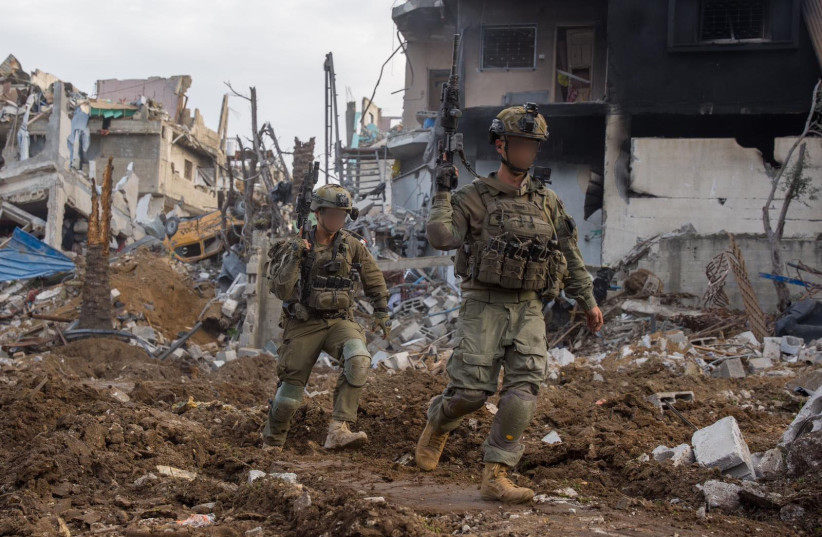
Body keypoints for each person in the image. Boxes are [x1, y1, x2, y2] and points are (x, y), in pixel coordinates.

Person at [417, 103, 604, 503]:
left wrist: (587, 299)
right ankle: (439, 421)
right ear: (500, 146)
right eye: (519, 144)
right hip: (483, 306)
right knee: (470, 394)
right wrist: (442, 193)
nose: (526, 153)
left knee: (523, 392)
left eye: (532, 146)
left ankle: (496, 473)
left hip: (529, 309)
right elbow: (441, 237)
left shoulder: (547, 202)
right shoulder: (473, 197)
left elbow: (569, 253)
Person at [263, 184, 390, 451]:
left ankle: (338, 429)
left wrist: (381, 310)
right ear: (318, 213)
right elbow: (280, 289)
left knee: (358, 359)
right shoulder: (294, 245)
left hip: (339, 321)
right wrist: (295, 256)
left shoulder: (351, 246)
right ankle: (271, 445)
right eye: (332, 214)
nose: (337, 220)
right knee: (288, 399)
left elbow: (373, 276)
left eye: (342, 215)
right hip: (303, 323)